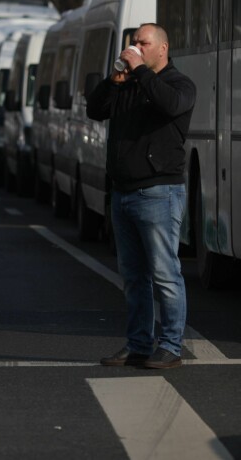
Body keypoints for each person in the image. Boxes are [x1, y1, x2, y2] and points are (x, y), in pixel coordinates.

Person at [86, 23, 196, 370]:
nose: (136, 47)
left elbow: (169, 105)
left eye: (143, 43)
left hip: (158, 193)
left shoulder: (179, 84)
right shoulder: (131, 84)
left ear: (162, 48)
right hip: (123, 193)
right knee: (134, 277)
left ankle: (171, 345)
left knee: (165, 273)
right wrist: (112, 82)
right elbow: (95, 109)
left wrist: (139, 71)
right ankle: (138, 344)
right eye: (134, 43)